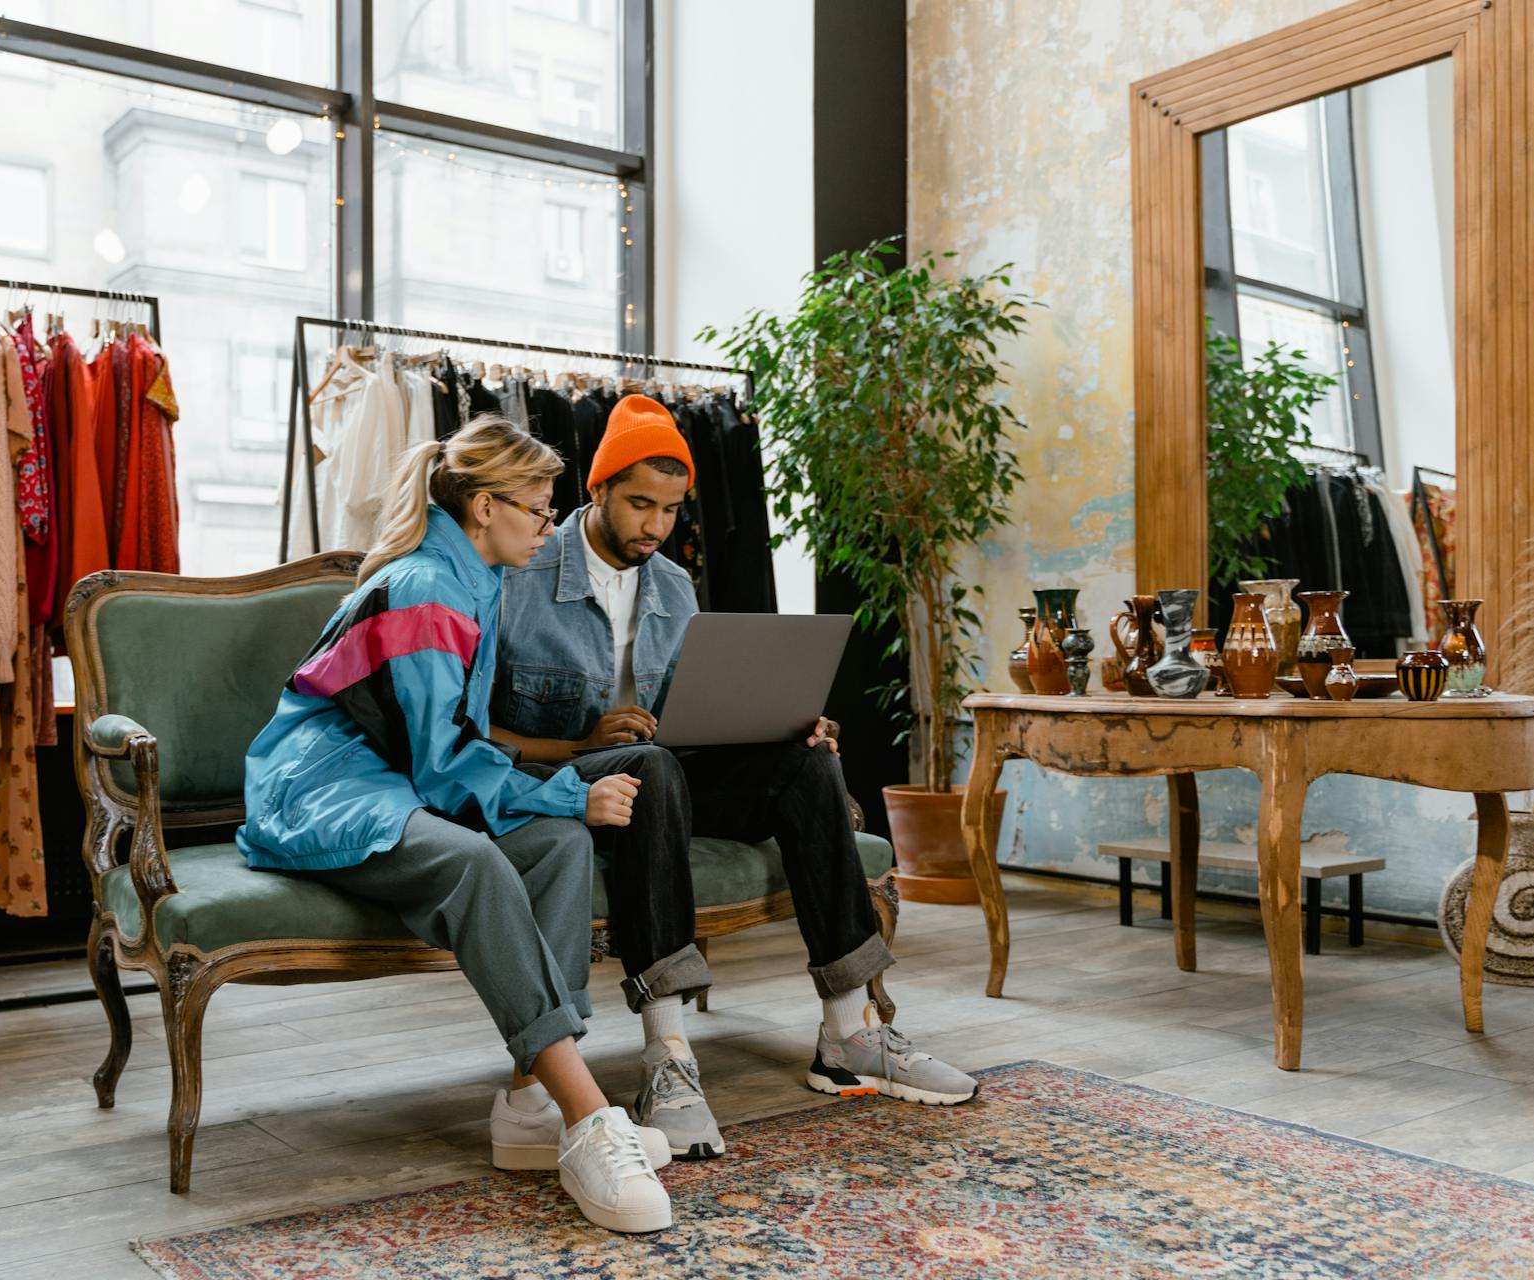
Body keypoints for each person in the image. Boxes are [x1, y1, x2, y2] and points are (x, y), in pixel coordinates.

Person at [490, 394, 979, 1160]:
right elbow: (471, 730)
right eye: (639, 505)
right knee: (651, 767)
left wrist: (784, 723)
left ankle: (851, 1032)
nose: (655, 526)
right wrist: (584, 740)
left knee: (808, 761)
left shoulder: (675, 588)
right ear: (598, 490)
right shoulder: (519, 576)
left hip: (666, 781)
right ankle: (669, 1057)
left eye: (671, 510)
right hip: (567, 786)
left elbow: (699, 715)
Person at [237, 415, 673, 1234]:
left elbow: (455, 747)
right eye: (540, 510)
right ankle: (587, 1117)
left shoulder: (477, 578)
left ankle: (529, 1106)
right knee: (480, 859)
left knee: (556, 846)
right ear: (483, 506)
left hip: (392, 779)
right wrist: (571, 790)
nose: (551, 527)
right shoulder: (426, 587)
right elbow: (443, 765)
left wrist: (562, 798)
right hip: (322, 788)